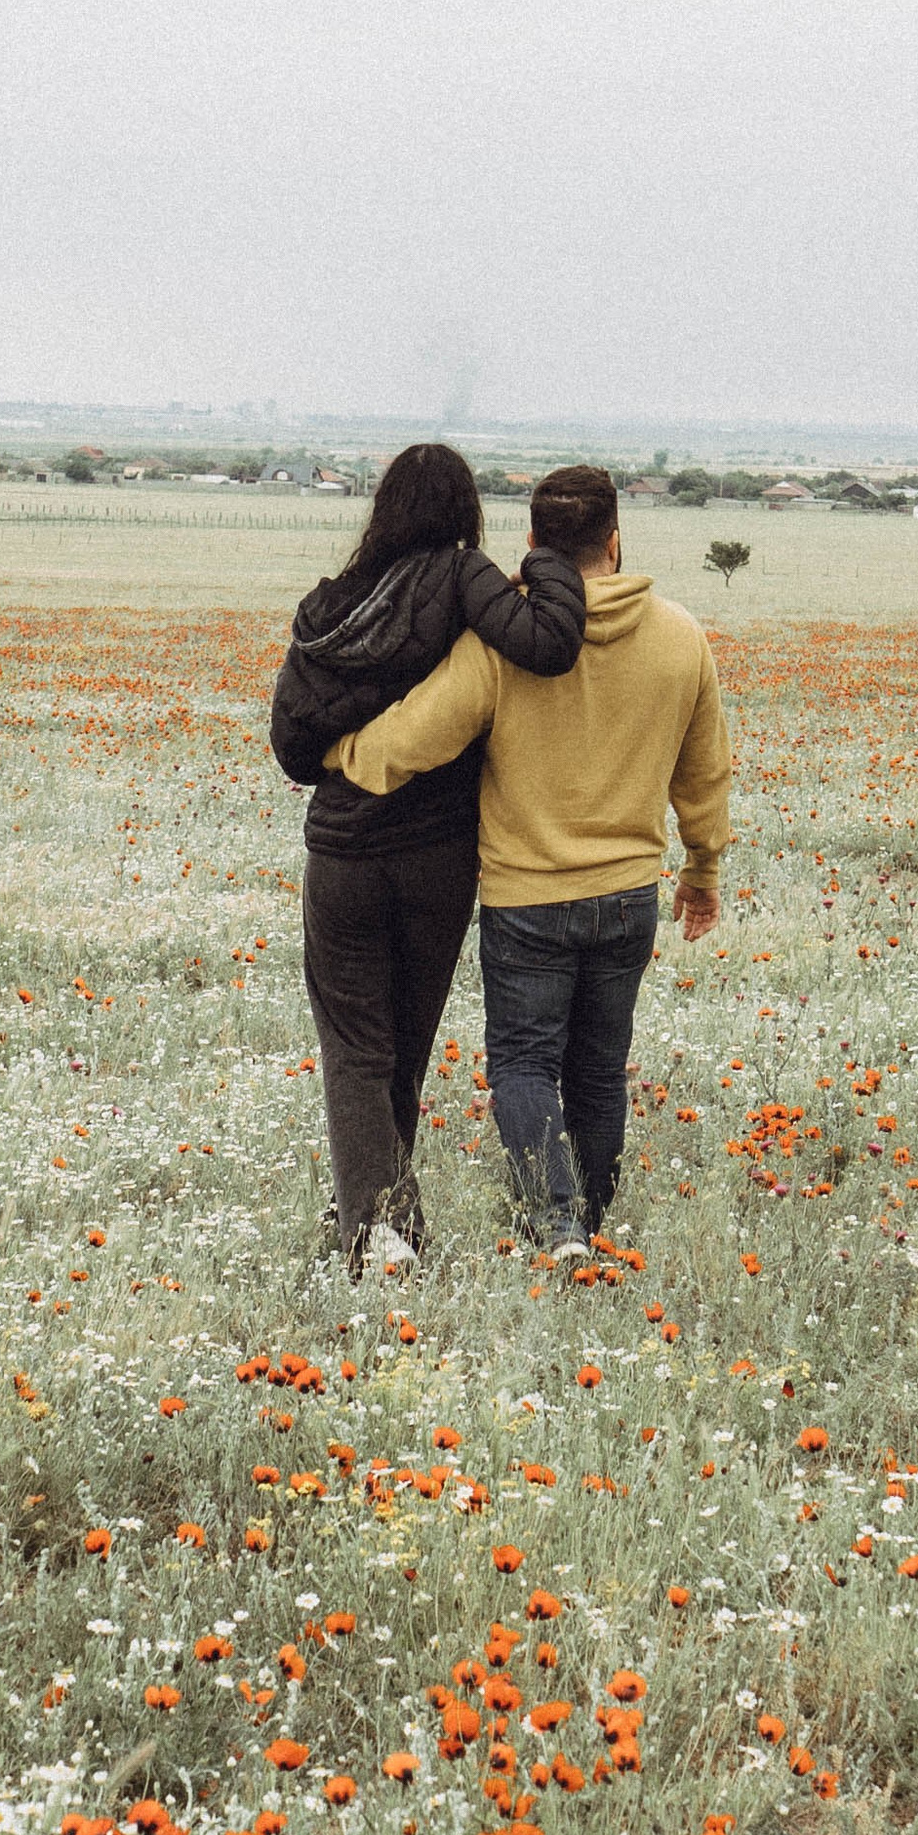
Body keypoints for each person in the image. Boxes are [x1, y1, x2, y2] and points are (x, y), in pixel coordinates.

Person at [326, 462, 728, 1254]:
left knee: (522, 1066)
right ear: (616, 542)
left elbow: (416, 736)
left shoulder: (504, 642)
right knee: (600, 1071)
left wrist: (338, 751)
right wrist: (702, 871)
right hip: (628, 895)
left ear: (536, 542)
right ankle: (589, 1220)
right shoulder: (682, 639)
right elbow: (704, 773)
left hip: (527, 898)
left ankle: (556, 1222)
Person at [270, 443, 587, 1275]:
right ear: (463, 511)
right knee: (403, 1047)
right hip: (437, 858)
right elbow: (550, 643)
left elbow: (292, 749)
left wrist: (350, 740)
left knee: (354, 1046)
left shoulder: (329, 606)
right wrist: (549, 561)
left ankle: (379, 1231)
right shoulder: (461, 576)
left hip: (344, 852)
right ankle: (384, 1227)